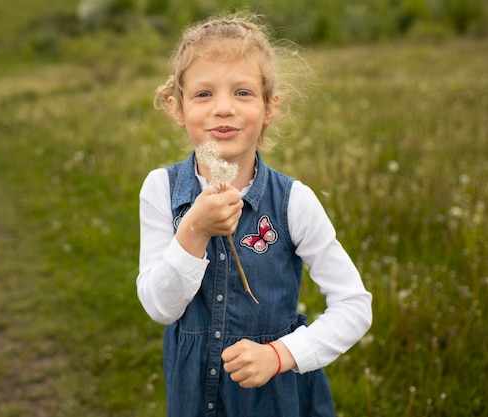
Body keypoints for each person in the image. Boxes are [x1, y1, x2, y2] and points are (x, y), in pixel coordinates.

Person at [136, 11, 372, 417]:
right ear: (177, 108)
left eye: (243, 93)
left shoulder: (294, 201)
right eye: (204, 94)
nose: (223, 108)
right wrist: (193, 230)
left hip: (276, 398)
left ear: (269, 107)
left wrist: (280, 355)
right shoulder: (161, 189)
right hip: (193, 394)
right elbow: (160, 308)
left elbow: (354, 304)